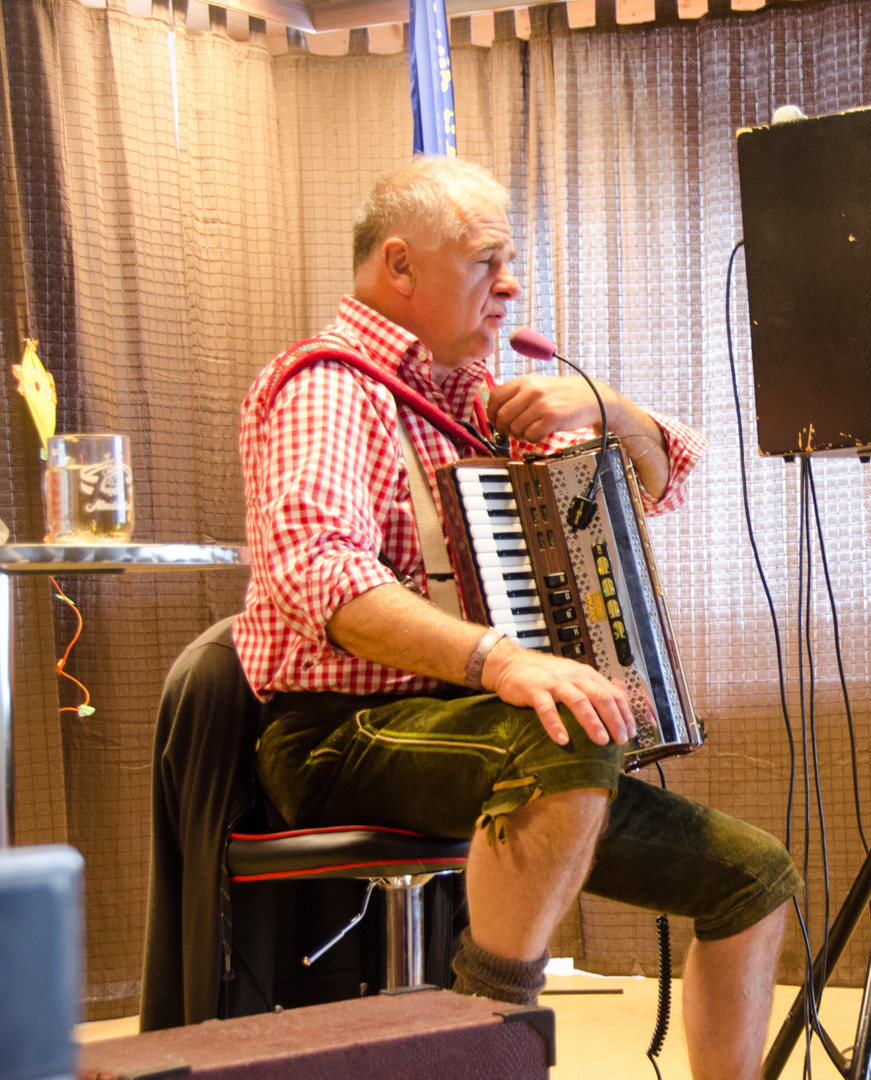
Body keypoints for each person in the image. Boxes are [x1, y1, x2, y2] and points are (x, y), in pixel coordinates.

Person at [236, 155, 799, 1080]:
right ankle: (490, 1040)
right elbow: (318, 576)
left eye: (510, 261)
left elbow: (660, 478)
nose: (509, 285)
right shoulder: (326, 388)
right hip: (338, 737)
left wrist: (609, 406)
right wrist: (504, 661)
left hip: (484, 730)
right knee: (563, 724)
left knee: (753, 876)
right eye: (484, 260)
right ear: (399, 264)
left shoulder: (480, 398)